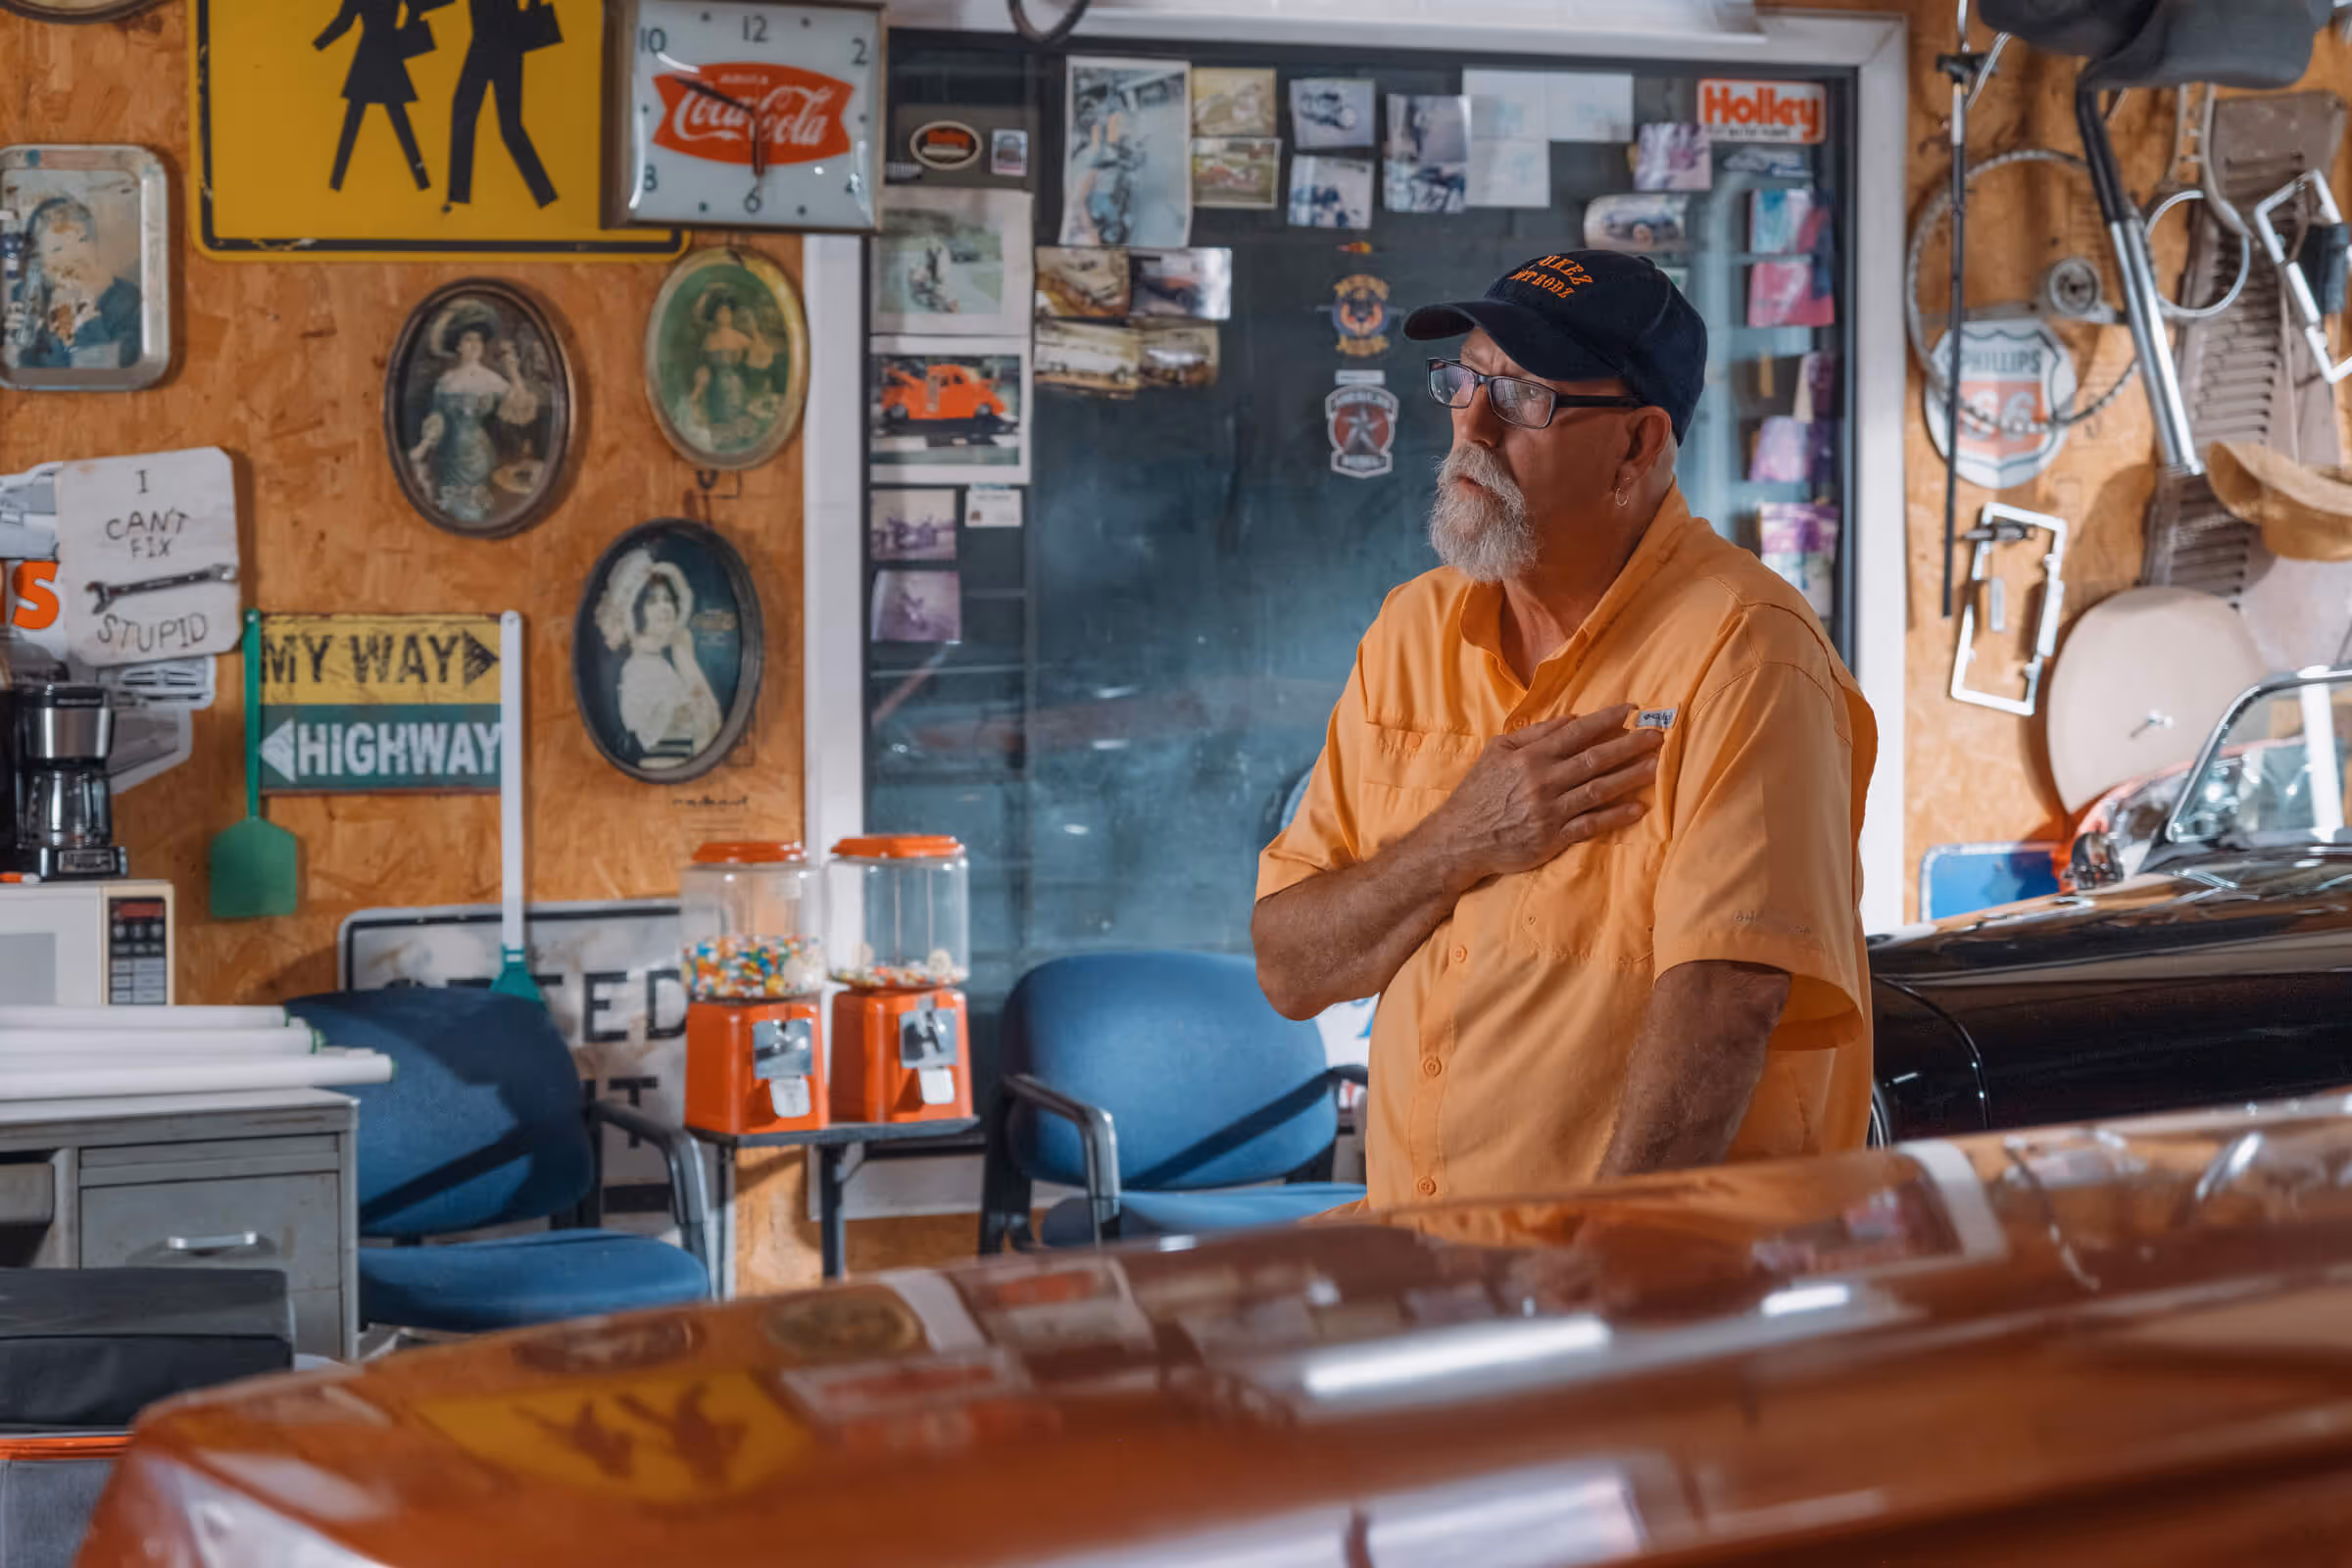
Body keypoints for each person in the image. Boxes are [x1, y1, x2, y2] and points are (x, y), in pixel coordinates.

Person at [1253, 250, 1876, 1210]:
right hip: (1434, 1268)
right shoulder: (1411, 629)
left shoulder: (1748, 654)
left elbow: (1726, 1003)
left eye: (1525, 397)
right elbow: (1292, 967)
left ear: (1636, 447)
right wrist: (1460, 841)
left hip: (1635, 1293)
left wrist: (1608, 1278)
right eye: (1464, 380)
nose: (1473, 425)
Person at [597, 552, 723, 768]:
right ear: (635, 612)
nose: (665, 608)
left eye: (668, 600)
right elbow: (651, 737)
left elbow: (712, 728)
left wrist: (684, 655)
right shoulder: (637, 671)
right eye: (653, 601)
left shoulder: (665, 664)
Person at [446, 0, 559, 210]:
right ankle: (544, 193)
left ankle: (459, 193)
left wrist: (532, 15)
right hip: (496, 39)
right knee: (503, 124)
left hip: (495, 39)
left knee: (493, 121)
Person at [5, 197, 140, 370]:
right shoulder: (25, 296)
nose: (73, 255)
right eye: (57, 249)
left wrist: (88, 320)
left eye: (82, 241)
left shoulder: (127, 300)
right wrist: (16, 347)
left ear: (95, 247)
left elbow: (108, 373)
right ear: (42, 264)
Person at [314, 0, 432, 193]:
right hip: (389, 52)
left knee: (352, 124)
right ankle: (422, 178)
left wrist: (318, 44)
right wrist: (407, 32)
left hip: (368, 55)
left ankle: (336, 181)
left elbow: (344, 22)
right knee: (401, 123)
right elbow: (417, 5)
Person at [407, 314, 509, 523]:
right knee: (451, 513)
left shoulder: (493, 380)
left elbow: (516, 410)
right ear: (459, 346)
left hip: (479, 454)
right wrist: (428, 439)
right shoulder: (446, 381)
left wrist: (515, 371)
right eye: (468, 340)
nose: (474, 345)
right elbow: (436, 417)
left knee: (478, 513)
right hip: (449, 455)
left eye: (478, 340)